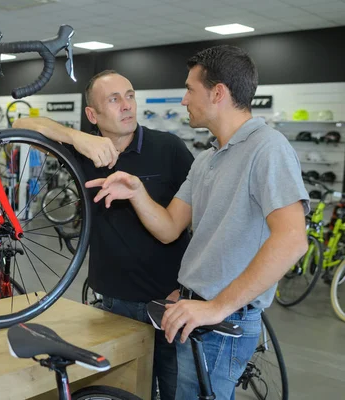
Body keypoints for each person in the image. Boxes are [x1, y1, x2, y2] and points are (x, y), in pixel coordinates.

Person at [85, 46, 309, 399]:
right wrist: (138, 191)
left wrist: (217, 305)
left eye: (190, 89)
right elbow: (170, 226)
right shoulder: (207, 159)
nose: (185, 99)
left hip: (223, 322)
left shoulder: (268, 148)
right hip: (191, 314)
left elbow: (293, 238)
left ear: (217, 93)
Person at [13, 70, 194, 400]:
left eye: (129, 95)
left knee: (175, 391)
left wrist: (187, 290)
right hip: (111, 303)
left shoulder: (169, 148)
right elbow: (21, 124)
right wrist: (75, 137)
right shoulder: (84, 151)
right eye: (114, 99)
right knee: (121, 391)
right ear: (92, 115)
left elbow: (198, 221)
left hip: (168, 303)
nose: (126, 105)